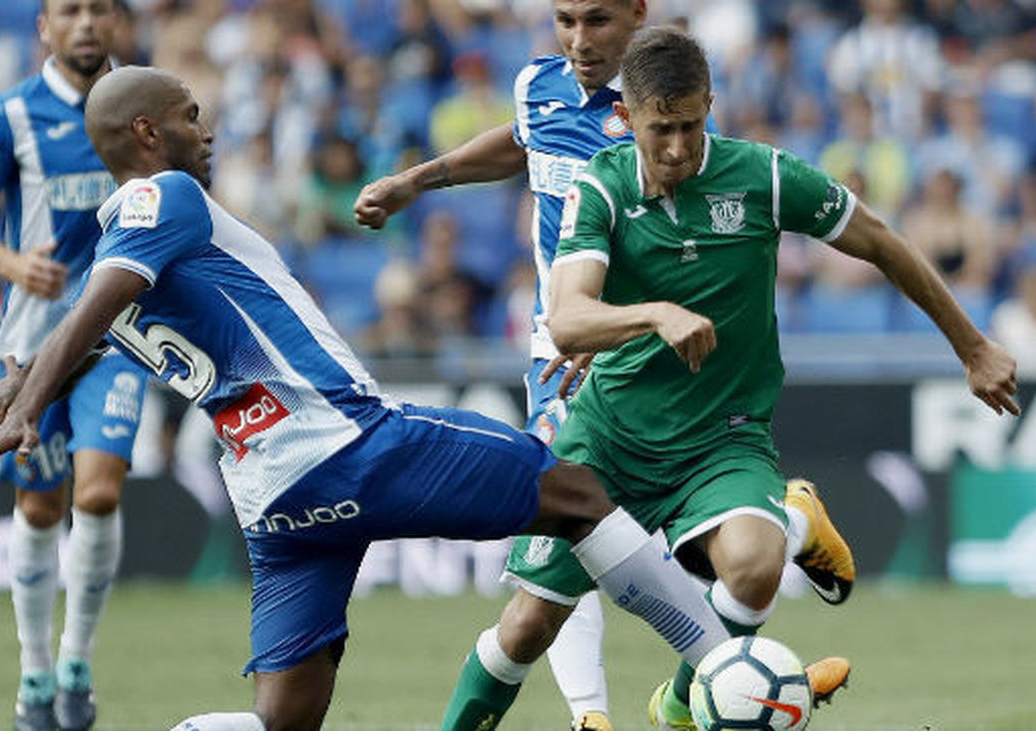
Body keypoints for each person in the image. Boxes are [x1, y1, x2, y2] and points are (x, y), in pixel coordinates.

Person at [0, 65, 739, 731]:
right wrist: (22, 406)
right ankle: (725, 668)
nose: (207, 130)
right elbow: (96, 305)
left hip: (272, 498)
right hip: (342, 443)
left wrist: (23, 384)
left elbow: (92, 322)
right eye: (191, 116)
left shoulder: (120, 256)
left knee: (282, 721)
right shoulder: (164, 199)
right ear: (147, 134)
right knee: (576, 493)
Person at [353, 1, 854, 728]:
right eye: (563, 20)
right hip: (559, 346)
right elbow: (521, 145)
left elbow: (690, 241)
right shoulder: (539, 84)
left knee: (588, 537)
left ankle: (689, 681)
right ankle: (690, 677)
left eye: (595, 20)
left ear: (637, 15)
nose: (577, 40)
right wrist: (416, 181)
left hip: (636, 349)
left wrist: (626, 323)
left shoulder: (666, 109)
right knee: (571, 535)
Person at [548, 27, 1019, 729]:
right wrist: (416, 180)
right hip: (586, 370)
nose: (677, 145)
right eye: (660, 130)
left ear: (710, 103)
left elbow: (882, 242)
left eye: (690, 125)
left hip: (714, 429)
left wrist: (972, 345)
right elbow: (567, 298)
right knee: (545, 596)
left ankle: (680, 702)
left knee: (747, 566)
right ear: (627, 116)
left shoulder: (763, 176)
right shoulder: (589, 171)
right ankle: (787, 527)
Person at [0, 2, 141, 729]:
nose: (86, 23)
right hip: (29, 349)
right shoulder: (10, 115)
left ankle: (77, 661)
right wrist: (12, 261)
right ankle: (35, 672)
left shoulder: (142, 106)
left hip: (119, 342)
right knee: (40, 505)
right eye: (69, 10)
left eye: (98, 10)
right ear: (44, 29)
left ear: (115, 25)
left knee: (99, 493)